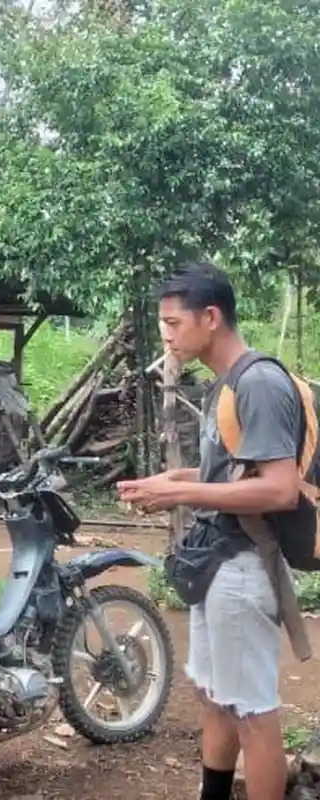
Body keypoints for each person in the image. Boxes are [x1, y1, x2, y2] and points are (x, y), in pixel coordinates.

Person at [118, 263, 299, 800]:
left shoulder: (259, 383)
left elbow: (279, 488)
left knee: (253, 713)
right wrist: (176, 478)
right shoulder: (227, 383)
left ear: (211, 317)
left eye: (173, 323)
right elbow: (237, 474)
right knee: (216, 697)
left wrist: (178, 494)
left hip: (244, 567)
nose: (167, 335)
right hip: (217, 564)